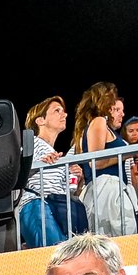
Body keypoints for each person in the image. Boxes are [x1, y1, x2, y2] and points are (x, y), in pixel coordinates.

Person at [17, 97, 85, 247]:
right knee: (53, 255)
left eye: (64, 111)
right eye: (57, 111)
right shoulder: (31, 144)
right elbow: (16, 176)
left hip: (56, 211)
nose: (64, 114)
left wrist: (77, 179)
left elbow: (67, 191)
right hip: (36, 207)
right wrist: (37, 164)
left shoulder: (55, 154)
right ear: (40, 120)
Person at [74, 84, 137, 236]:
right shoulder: (99, 121)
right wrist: (126, 154)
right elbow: (96, 162)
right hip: (106, 190)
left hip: (109, 190)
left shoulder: (100, 125)